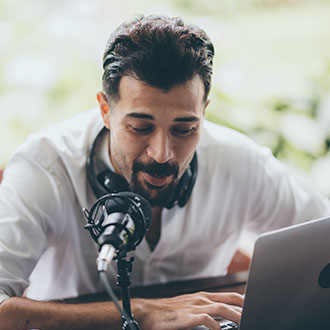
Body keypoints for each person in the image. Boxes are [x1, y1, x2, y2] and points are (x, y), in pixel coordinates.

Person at [0, 14, 329, 330]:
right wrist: (140, 314)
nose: (162, 153)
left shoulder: (241, 162)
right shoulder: (42, 167)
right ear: (105, 110)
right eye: (140, 127)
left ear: (204, 112)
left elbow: (322, 240)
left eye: (184, 129)